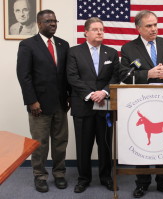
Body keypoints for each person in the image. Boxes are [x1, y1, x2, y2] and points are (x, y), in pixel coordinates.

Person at [119, 10, 163, 198]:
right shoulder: (129, 48)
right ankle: (142, 183)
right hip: (142, 104)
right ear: (138, 28)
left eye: (155, 24)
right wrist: (148, 74)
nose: (154, 29)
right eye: (149, 26)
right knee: (144, 143)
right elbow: (124, 75)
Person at [16, 9, 70, 193]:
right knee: (39, 143)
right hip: (39, 105)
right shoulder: (28, 45)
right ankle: (39, 176)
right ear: (39, 24)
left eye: (55, 20)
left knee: (60, 141)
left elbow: (66, 75)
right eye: (48, 21)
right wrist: (31, 101)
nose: (53, 24)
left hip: (61, 104)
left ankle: (59, 173)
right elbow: (24, 76)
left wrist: (69, 97)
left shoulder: (64, 45)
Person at [66, 17, 120, 193]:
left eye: (102, 29)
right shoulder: (74, 52)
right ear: (85, 32)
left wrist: (103, 92)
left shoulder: (111, 53)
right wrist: (91, 94)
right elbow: (72, 77)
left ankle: (106, 177)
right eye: (95, 29)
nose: (100, 32)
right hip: (83, 105)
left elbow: (115, 77)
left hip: (104, 105)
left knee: (105, 144)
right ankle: (83, 179)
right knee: (83, 145)